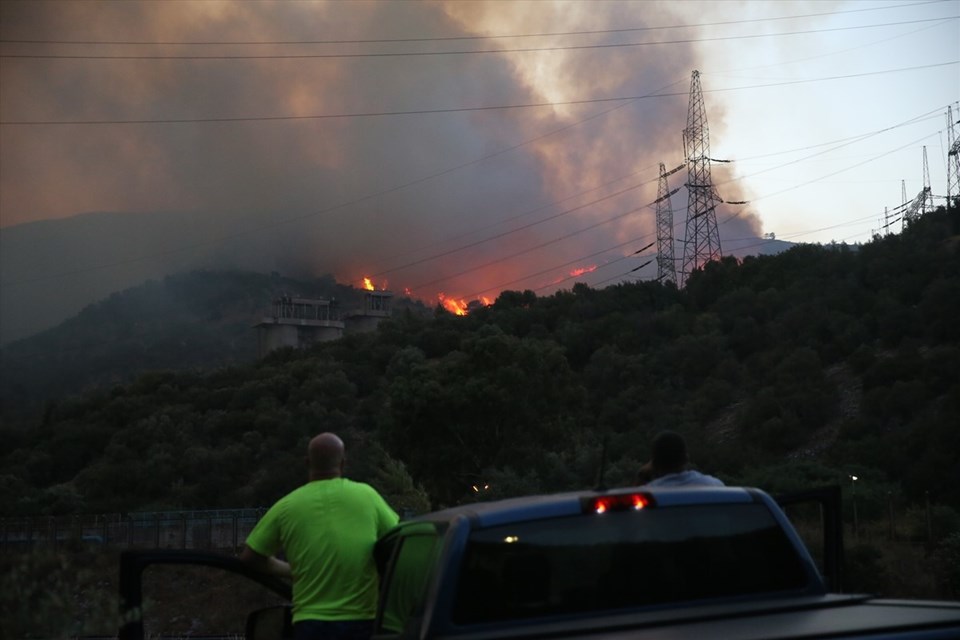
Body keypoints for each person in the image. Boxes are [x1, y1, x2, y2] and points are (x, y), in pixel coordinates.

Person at [241, 432, 399, 640]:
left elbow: (250, 557)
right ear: (343, 463)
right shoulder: (367, 496)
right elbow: (399, 541)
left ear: (307, 462)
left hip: (309, 624)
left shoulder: (286, 506)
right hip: (361, 621)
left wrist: (290, 570)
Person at [639, 430, 724, 487]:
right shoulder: (714, 485)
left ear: (654, 464)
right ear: (686, 458)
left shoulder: (650, 493)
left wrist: (641, 476)